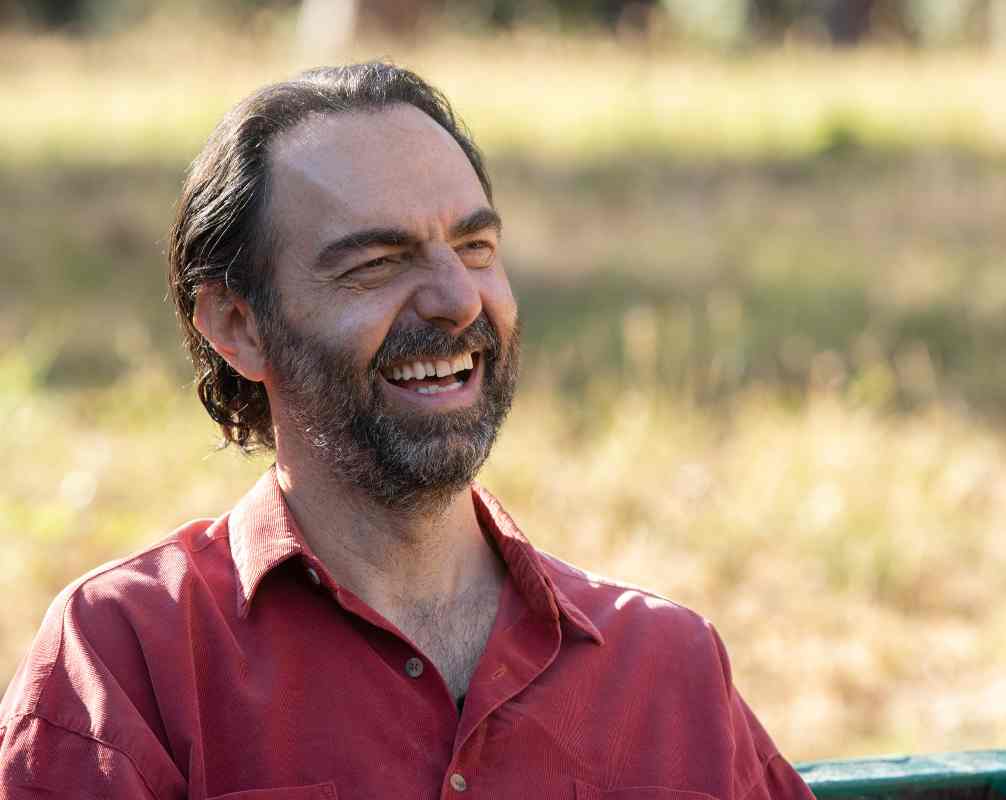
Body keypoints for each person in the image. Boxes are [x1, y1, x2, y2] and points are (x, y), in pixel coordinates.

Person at [0, 63, 815, 800]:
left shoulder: (668, 667)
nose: (457, 300)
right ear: (238, 326)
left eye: (475, 246)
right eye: (377, 264)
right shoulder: (127, 658)